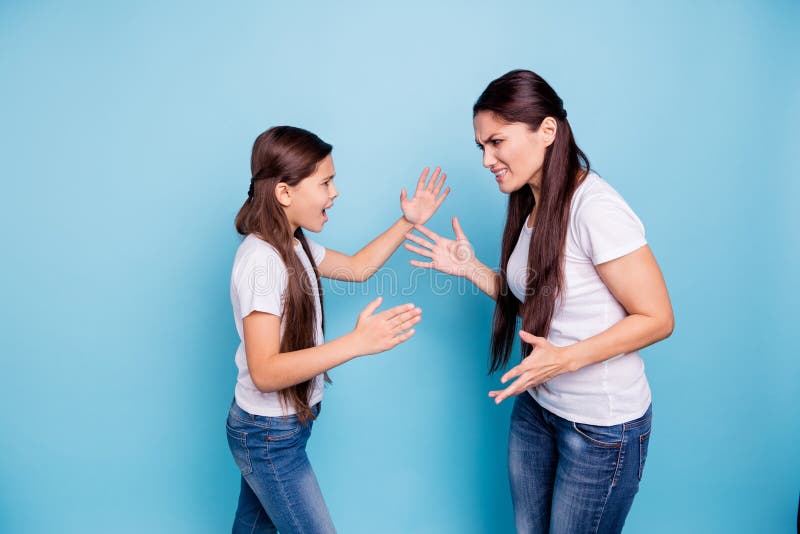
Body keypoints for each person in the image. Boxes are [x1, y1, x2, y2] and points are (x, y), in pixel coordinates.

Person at [405, 70, 674, 533]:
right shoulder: (532, 206)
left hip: (600, 430)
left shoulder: (596, 208)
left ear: (546, 131)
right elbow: (541, 306)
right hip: (539, 408)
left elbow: (657, 318)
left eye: (497, 142)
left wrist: (564, 360)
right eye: (481, 147)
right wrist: (470, 268)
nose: (487, 158)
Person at [227, 125, 449, 533]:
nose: (336, 192)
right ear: (284, 193)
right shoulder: (261, 262)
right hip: (268, 435)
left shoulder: (293, 244)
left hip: (283, 428)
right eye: (326, 182)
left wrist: (408, 221)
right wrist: (356, 343)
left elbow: (359, 268)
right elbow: (265, 371)